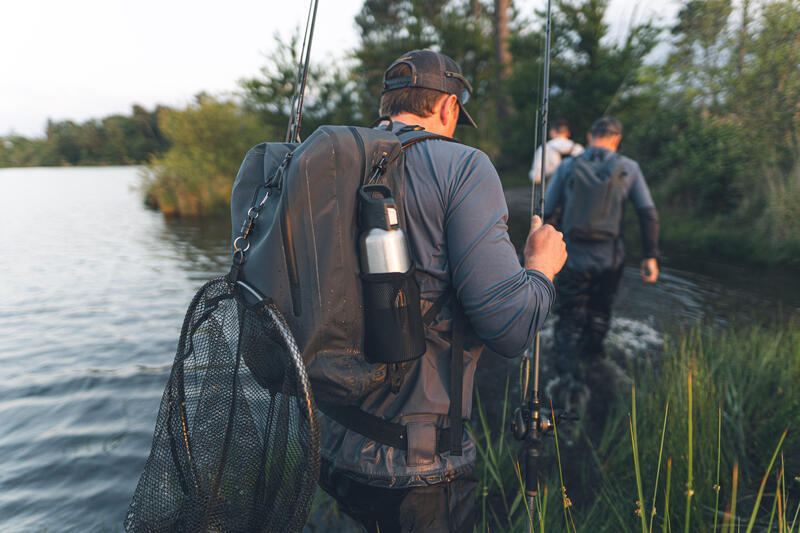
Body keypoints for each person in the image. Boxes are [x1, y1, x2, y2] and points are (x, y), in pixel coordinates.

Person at [317, 49, 567, 533]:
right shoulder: (464, 167)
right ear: (450, 108)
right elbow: (510, 328)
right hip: (417, 471)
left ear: (387, 104)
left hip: (329, 443)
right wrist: (541, 267)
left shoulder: (330, 165)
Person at [543, 116, 659, 410]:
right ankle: (594, 362)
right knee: (600, 312)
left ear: (589, 135)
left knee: (568, 317)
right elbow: (648, 213)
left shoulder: (568, 166)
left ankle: (567, 379)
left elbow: (547, 209)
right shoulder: (629, 167)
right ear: (617, 139)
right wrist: (650, 256)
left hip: (572, 258)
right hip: (610, 260)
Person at [529, 118, 584, 184]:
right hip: (574, 190)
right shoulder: (578, 149)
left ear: (552, 132)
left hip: (553, 188)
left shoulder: (544, 149)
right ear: (568, 133)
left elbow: (536, 178)